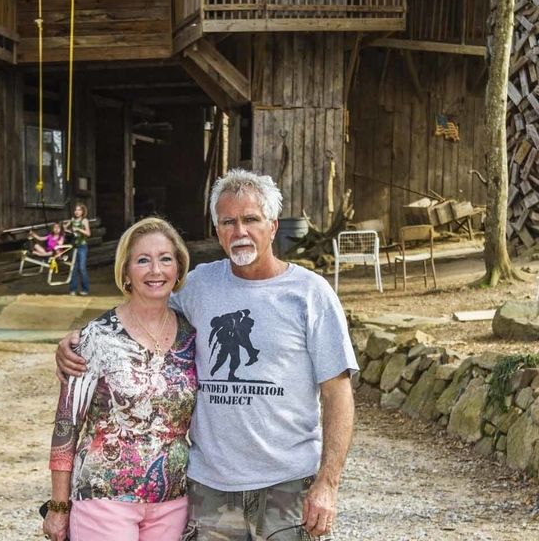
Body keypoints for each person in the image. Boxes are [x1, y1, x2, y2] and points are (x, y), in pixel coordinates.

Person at [57, 169, 357, 540]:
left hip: (288, 486)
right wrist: (79, 339)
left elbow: (337, 392)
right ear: (217, 230)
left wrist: (328, 484)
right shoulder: (199, 285)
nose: (240, 231)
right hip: (211, 489)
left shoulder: (311, 294)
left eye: (250, 219)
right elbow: (146, 314)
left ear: (273, 225)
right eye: (228, 221)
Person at [44, 217, 198, 541]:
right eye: (143, 260)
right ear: (126, 273)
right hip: (103, 496)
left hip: (172, 500)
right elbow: (65, 425)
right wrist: (59, 508)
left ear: (179, 268)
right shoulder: (96, 337)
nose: (155, 270)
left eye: (165, 259)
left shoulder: (192, 334)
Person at [65, 202, 91, 296]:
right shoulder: (72, 220)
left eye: (79, 210)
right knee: (74, 268)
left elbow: (88, 233)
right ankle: (73, 289)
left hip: (82, 247)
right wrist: (69, 230)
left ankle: (85, 289)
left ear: (82, 211)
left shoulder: (84, 221)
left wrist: (79, 229)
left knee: (82, 267)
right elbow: (63, 228)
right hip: (74, 247)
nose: (77, 212)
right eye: (76, 210)